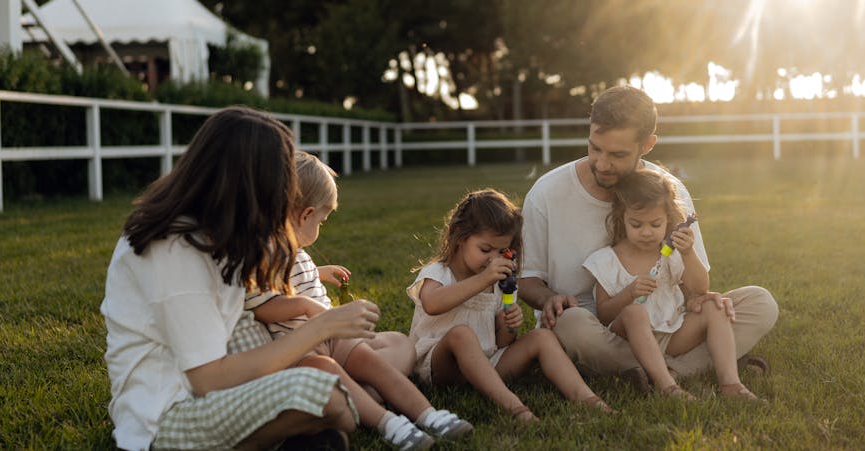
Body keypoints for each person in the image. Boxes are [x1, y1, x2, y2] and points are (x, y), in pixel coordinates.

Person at [101, 106, 378, 451]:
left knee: (338, 401)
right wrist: (322, 326)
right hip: (168, 412)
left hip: (222, 377)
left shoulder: (217, 230)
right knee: (333, 401)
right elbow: (208, 379)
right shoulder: (172, 249)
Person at [518, 85, 778, 388]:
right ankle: (693, 366)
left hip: (667, 325)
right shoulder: (546, 193)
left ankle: (647, 374)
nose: (601, 164)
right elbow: (527, 280)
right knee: (570, 323)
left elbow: (692, 284)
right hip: (594, 329)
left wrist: (704, 302)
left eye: (617, 154)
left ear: (648, 144)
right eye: (594, 148)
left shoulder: (670, 192)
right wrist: (550, 299)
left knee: (761, 303)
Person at [243, 152, 473, 447]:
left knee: (371, 362)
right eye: (321, 221)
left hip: (328, 335)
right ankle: (390, 424)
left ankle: (429, 414)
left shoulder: (294, 250)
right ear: (304, 215)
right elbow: (262, 306)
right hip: (298, 351)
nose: (320, 227)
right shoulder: (263, 251)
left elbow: (292, 277)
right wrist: (307, 306)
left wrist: (318, 272)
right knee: (327, 370)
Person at [407, 189, 613, 422]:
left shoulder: (500, 282)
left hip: (487, 363)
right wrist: (483, 280)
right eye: (485, 250)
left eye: (502, 251)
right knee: (461, 335)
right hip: (440, 368)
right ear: (459, 237)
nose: (494, 259)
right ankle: (514, 407)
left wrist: (508, 325)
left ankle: (586, 397)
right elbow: (432, 303)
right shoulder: (439, 272)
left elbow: (502, 343)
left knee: (541, 338)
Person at [584, 169, 762, 401]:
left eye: (655, 224)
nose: (647, 232)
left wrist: (688, 252)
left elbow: (699, 289)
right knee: (635, 312)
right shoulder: (606, 260)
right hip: (628, 341)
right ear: (621, 219)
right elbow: (604, 314)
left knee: (713, 306)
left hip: (673, 335)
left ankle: (730, 384)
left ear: (668, 220)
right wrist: (628, 294)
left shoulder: (671, 254)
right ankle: (668, 387)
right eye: (636, 225)